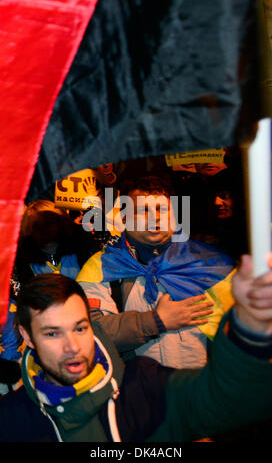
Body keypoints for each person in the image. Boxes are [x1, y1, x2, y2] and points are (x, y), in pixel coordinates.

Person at [0, 263, 272, 442]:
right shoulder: (13, 420)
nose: (72, 346)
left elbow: (228, 402)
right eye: (52, 333)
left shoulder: (144, 385)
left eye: (80, 328)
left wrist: (249, 331)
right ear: (27, 336)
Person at [77, 175, 235, 368]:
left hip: (201, 389)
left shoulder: (209, 263)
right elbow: (88, 333)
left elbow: (238, 331)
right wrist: (155, 322)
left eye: (162, 209)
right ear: (124, 218)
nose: (155, 217)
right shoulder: (100, 267)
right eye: (142, 211)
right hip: (136, 391)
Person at [15, 199, 100, 288]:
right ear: (28, 230)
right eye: (36, 226)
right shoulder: (24, 262)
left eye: (48, 223)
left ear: (60, 222)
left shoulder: (84, 250)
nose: (43, 230)